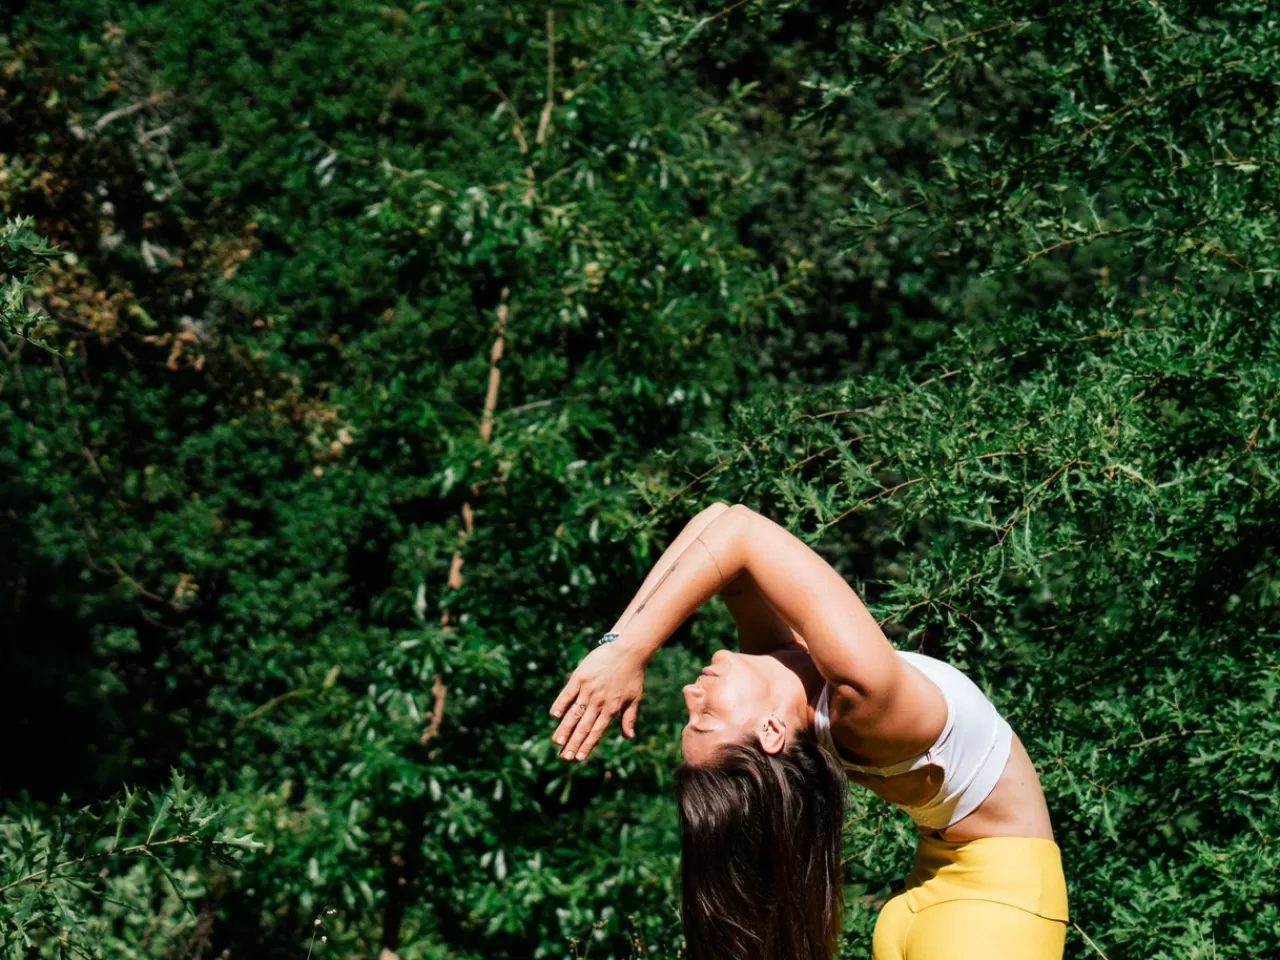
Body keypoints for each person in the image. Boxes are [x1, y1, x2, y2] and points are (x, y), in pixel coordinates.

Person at [549, 502, 1068, 960]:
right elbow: (743, 534)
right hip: (997, 907)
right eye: (705, 718)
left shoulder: (785, 670)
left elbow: (717, 521)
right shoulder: (865, 701)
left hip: (934, 896)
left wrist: (617, 646)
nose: (689, 695)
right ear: (772, 732)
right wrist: (629, 649)